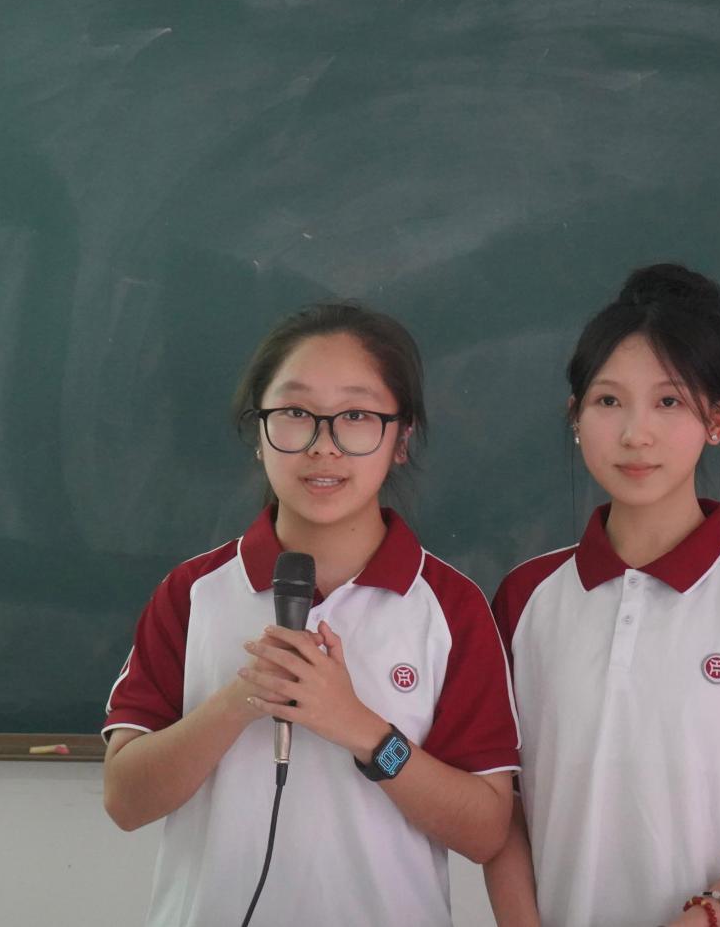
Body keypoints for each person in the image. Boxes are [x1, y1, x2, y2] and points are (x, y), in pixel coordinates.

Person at [102, 300, 519, 926]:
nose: (324, 447)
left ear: (401, 439)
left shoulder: (451, 606)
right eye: (296, 414)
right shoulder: (194, 592)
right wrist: (240, 700)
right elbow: (125, 800)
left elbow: (486, 831)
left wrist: (363, 731)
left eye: (356, 416)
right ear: (259, 431)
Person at [484, 264, 720, 927]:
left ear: (717, 419)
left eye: (668, 402)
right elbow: (501, 812)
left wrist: (707, 915)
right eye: (608, 402)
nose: (636, 434)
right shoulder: (525, 599)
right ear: (575, 417)